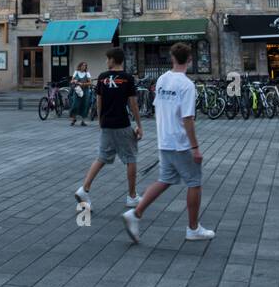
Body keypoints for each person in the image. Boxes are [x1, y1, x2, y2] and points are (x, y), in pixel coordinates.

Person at [122, 42, 214, 243]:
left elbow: (158, 107)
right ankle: (193, 228)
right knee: (194, 182)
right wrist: (195, 147)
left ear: (171, 59)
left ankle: (135, 214)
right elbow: (187, 118)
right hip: (180, 142)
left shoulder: (162, 80)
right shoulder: (187, 85)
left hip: (164, 139)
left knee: (165, 179)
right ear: (190, 60)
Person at [75, 48, 144, 210]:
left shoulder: (102, 77)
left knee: (101, 157)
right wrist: (139, 125)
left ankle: (84, 189)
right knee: (131, 157)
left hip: (107, 123)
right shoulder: (127, 79)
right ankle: (132, 196)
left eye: (107, 59)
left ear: (113, 60)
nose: (106, 62)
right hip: (122, 123)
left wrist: (100, 119)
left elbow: (99, 101)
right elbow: (132, 103)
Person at [69, 61, 93, 126]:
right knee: (75, 104)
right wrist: (74, 81)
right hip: (77, 90)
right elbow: (71, 81)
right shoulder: (76, 72)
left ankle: (83, 121)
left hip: (85, 91)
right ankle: (73, 119)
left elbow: (90, 83)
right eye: (82, 65)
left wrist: (83, 84)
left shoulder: (87, 73)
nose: (84, 67)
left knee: (85, 105)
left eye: (85, 66)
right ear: (80, 66)